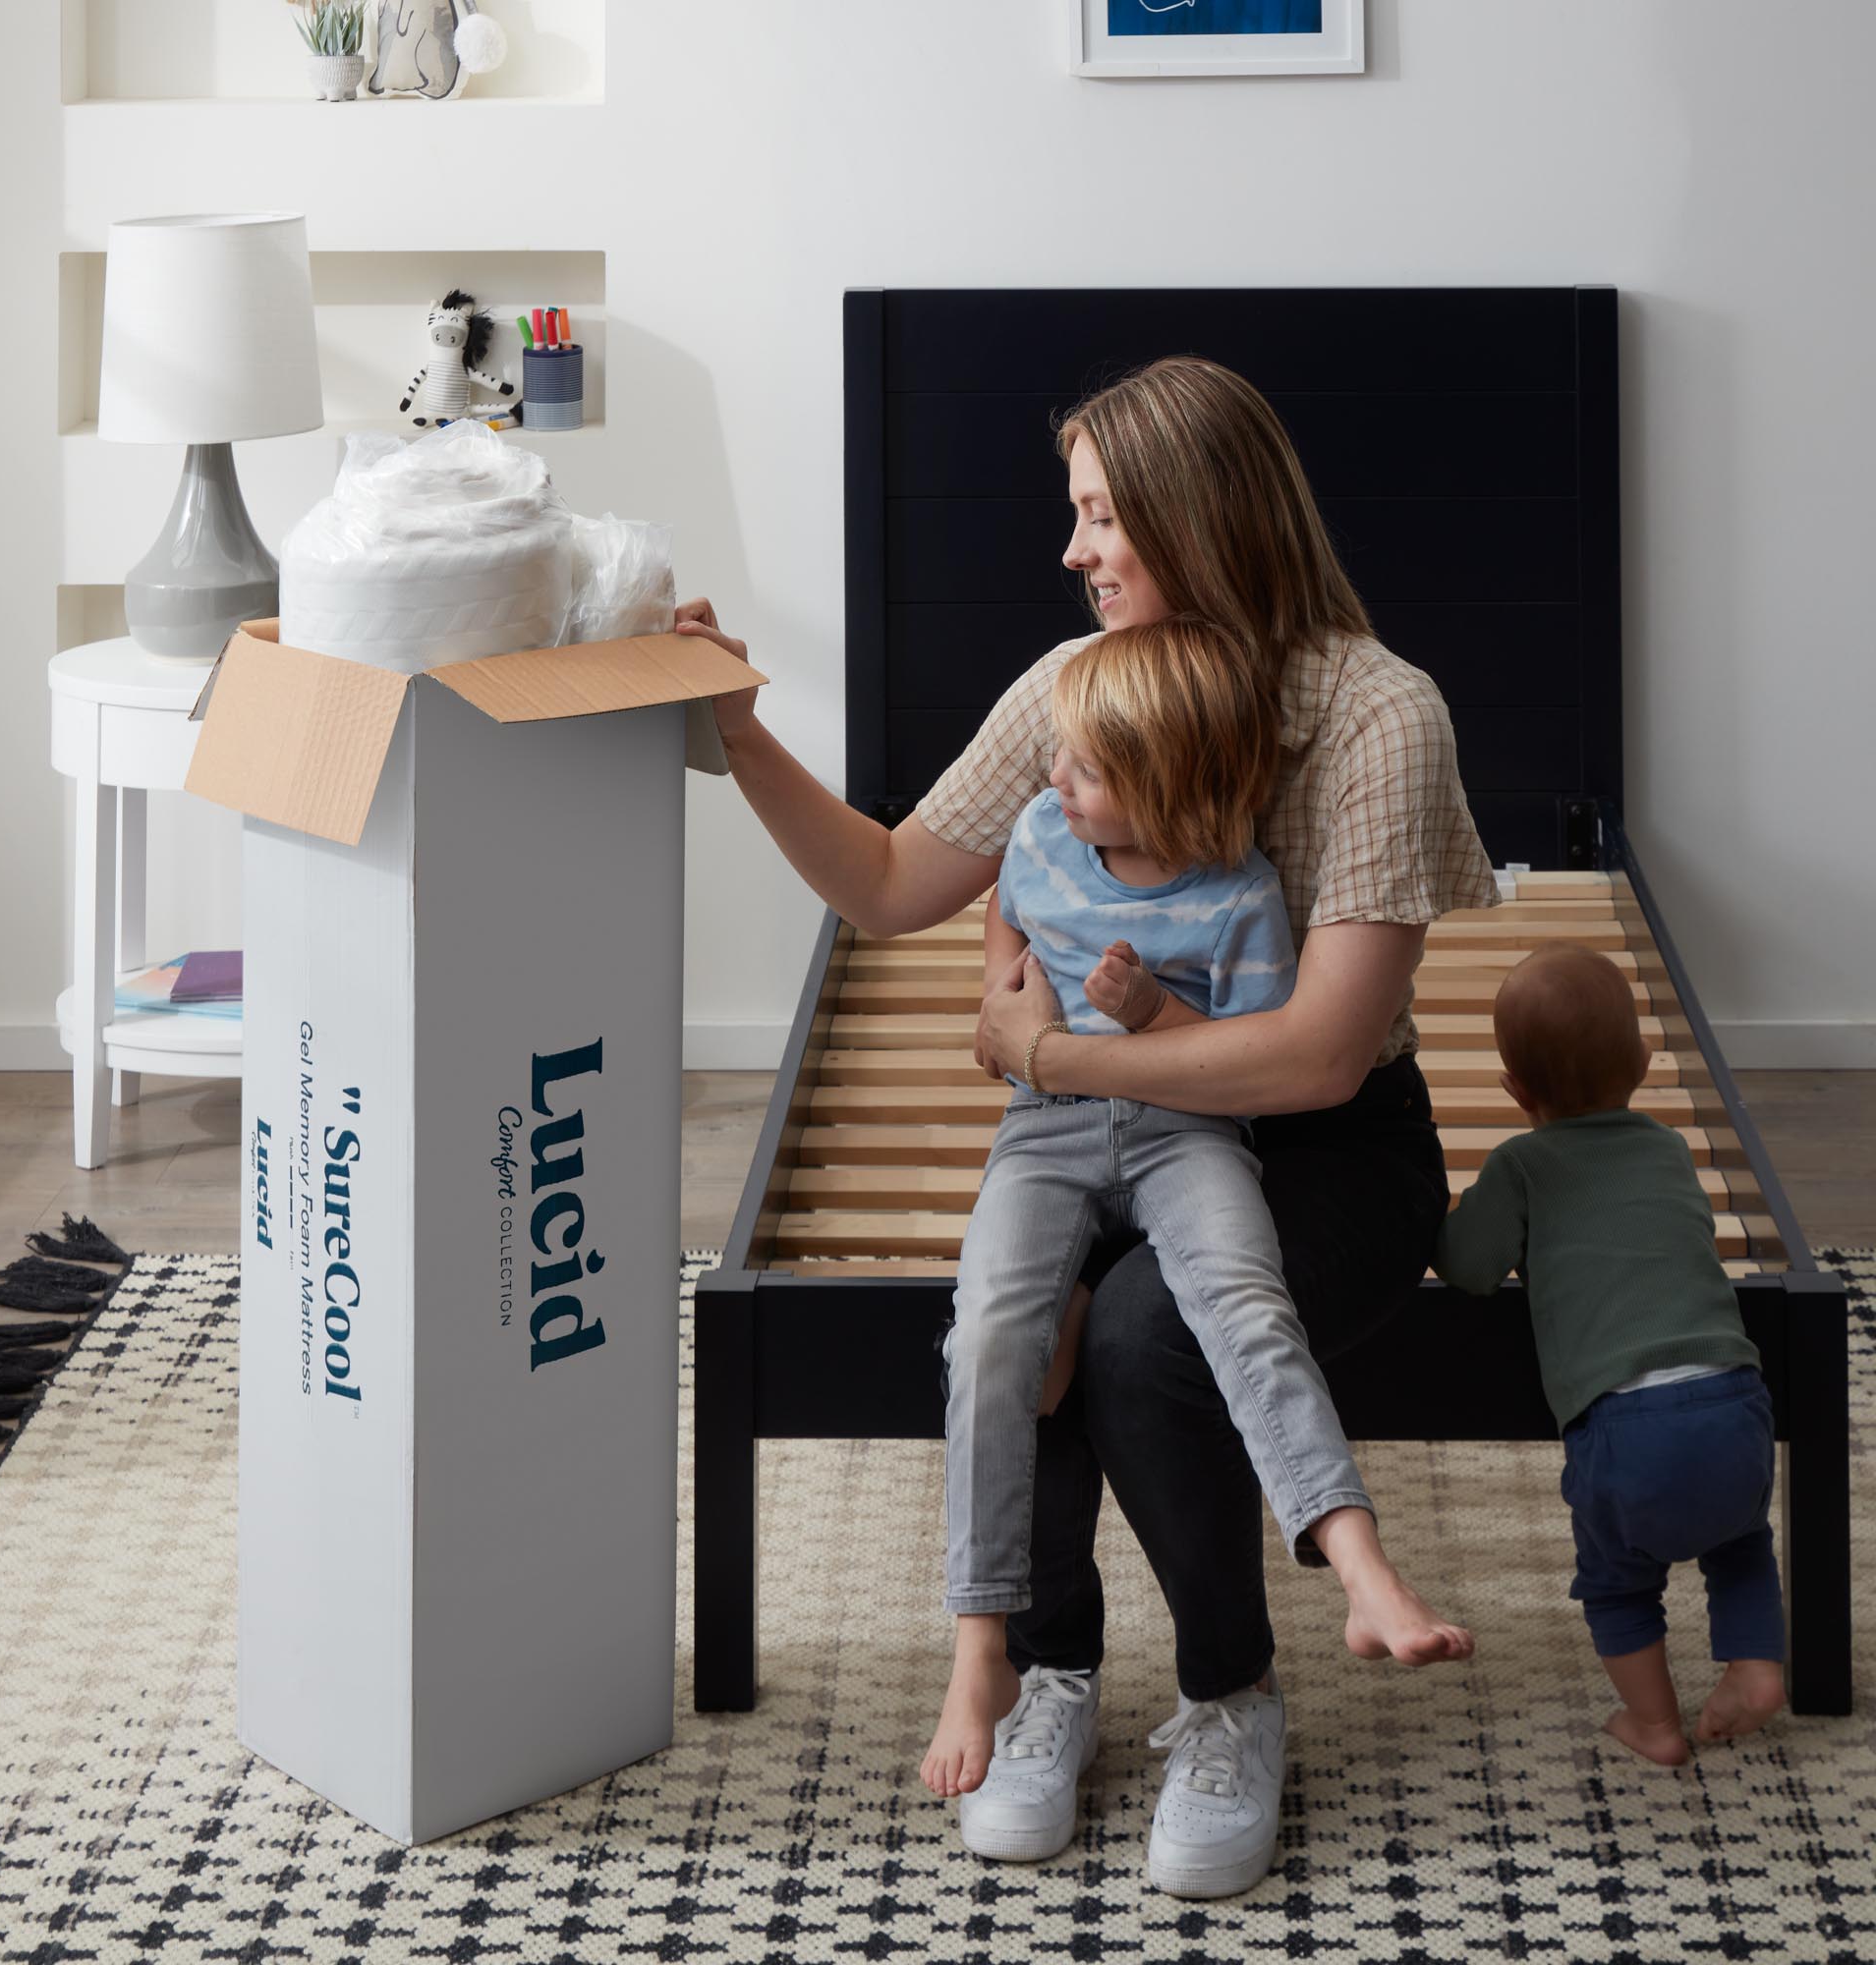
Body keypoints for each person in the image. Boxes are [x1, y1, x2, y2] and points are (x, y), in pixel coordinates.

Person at [676, 353, 1498, 1900]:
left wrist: (1050, 1054)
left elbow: (1320, 1054)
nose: (1075, 552)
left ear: (1196, 517)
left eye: (1103, 516)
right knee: (1031, 1310)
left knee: (1140, 1339)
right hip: (1108, 1099)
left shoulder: (1382, 714)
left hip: (1327, 1144)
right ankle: (1048, 1670)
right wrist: (738, 731)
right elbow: (888, 885)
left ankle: (1229, 1692)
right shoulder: (1074, 692)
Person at [922, 618, 1473, 1825]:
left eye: (1084, 768)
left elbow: (1254, 1053)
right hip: (1048, 1133)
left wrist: (1153, 1014)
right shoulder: (1034, 834)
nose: (1053, 781)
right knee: (995, 1338)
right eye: (1057, 760)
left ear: (1172, 783)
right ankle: (993, 1652)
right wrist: (1011, 1021)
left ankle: (1354, 1563)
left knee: (1235, 1305)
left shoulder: (1242, 895)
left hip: (1187, 1131)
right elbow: (995, 987)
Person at [1433, 944, 1785, 1766]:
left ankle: (1655, 1724)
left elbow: (1468, 1268)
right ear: (1644, 1061)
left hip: (1628, 1424)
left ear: (1516, 1092)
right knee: (1740, 1542)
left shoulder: (1523, 1162)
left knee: (1619, 1579)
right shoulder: (1667, 1148)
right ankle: (1756, 1667)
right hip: (1733, 1396)